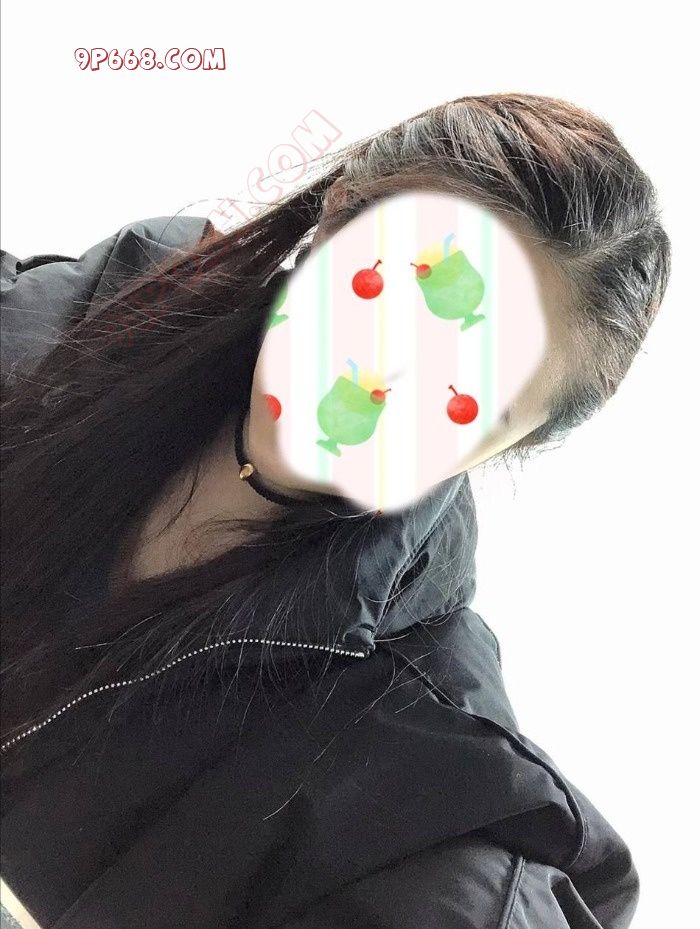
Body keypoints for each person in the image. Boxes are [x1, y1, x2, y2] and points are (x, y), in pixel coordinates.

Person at [0, 93, 670, 929]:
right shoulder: (59, 326)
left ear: (508, 443)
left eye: (467, 393)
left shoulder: (415, 780)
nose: (382, 382)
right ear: (337, 217)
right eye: (386, 294)